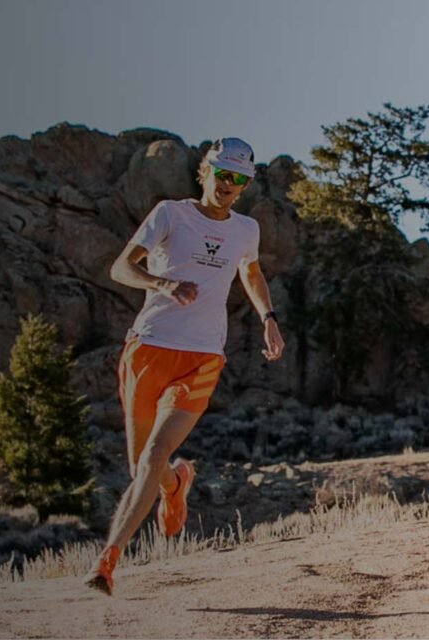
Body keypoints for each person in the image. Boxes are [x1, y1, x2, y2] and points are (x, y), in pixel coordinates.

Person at [87, 137, 285, 595]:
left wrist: (269, 319)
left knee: (154, 453)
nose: (229, 185)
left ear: (246, 185)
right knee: (144, 465)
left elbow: (250, 273)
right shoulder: (170, 214)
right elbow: (121, 268)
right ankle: (175, 485)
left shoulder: (246, 229)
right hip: (148, 348)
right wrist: (162, 283)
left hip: (202, 357)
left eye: (239, 179)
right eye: (223, 175)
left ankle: (107, 561)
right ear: (206, 172)